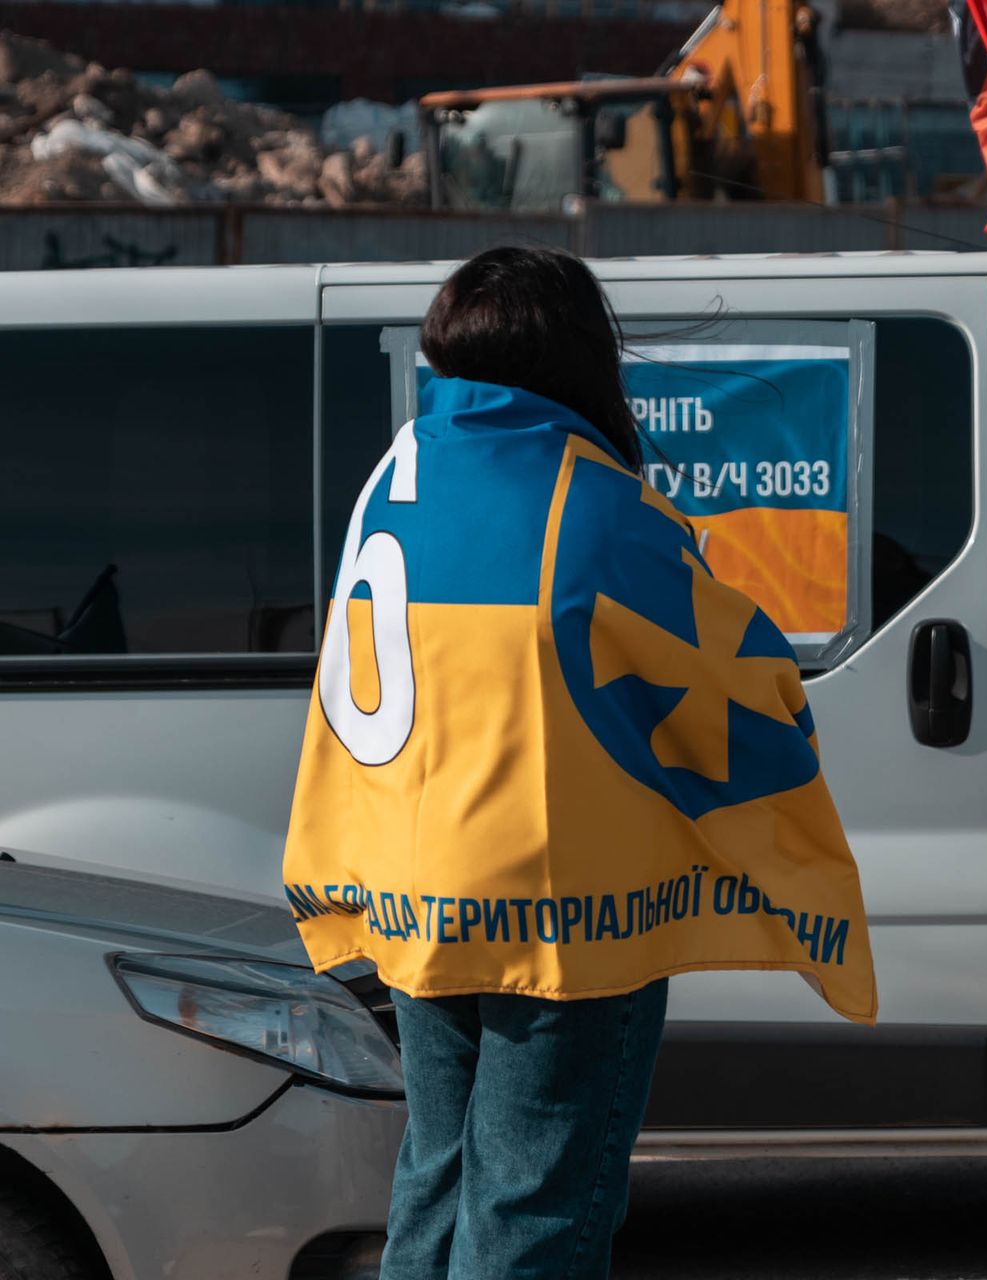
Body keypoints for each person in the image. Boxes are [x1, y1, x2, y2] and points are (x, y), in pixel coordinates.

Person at [281, 246, 875, 1280]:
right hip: (562, 920)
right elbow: (736, 682)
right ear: (581, 356)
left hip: (414, 902)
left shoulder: (397, 473)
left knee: (439, 1176)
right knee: (536, 1207)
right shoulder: (596, 503)